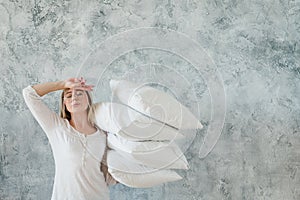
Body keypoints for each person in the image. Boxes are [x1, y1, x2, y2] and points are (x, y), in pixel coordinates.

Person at [22, 77, 117, 200]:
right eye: (68, 95)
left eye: (79, 93)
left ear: (88, 99)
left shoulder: (103, 134)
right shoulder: (56, 127)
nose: (74, 98)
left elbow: (108, 175)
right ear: (64, 103)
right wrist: (63, 83)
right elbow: (29, 94)